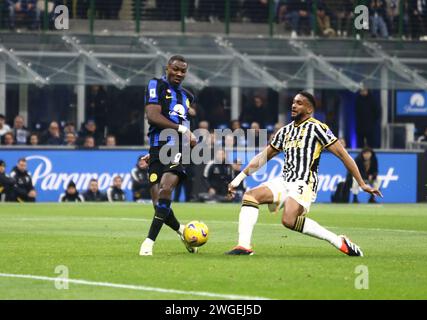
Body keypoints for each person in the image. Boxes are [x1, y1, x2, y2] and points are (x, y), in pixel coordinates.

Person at [226, 91, 382, 256]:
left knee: (288, 220)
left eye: (299, 103)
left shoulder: (318, 128)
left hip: (304, 182)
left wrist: (362, 183)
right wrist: (237, 180)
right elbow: (262, 157)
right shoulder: (284, 131)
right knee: (250, 196)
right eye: (293, 102)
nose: (294, 105)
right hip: (285, 180)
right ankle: (243, 246)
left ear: (309, 109)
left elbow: (344, 155)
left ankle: (338, 241)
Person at [139, 55, 198, 256]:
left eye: (183, 71)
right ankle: (182, 231)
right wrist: (151, 152)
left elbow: (184, 123)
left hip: (178, 148)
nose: (179, 74)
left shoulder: (187, 96)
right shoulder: (155, 85)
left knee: (165, 189)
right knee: (158, 205)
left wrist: (186, 133)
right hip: (157, 148)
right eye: (176, 69)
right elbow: (153, 116)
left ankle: (148, 242)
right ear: (168, 68)